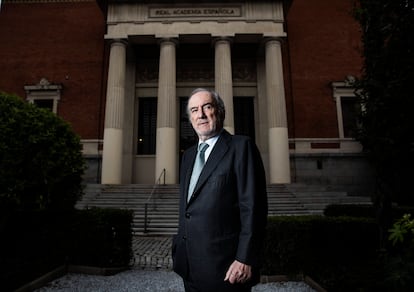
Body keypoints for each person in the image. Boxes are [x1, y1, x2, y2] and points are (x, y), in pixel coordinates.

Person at [172, 88, 268, 292]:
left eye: (207, 107)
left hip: (226, 269)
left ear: (220, 112)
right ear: (190, 119)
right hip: (188, 265)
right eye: (194, 110)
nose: (201, 114)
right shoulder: (188, 156)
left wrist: (245, 258)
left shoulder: (241, 147)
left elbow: (253, 208)